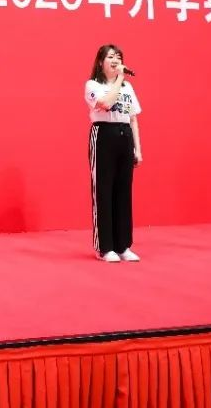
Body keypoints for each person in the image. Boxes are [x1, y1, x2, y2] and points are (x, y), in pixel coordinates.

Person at [85, 44, 142, 263]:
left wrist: (138, 149)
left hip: (124, 135)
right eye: (111, 57)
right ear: (101, 62)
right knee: (104, 190)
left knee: (123, 191)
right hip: (103, 136)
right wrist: (119, 79)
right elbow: (106, 103)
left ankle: (122, 245)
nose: (116, 60)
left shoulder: (128, 88)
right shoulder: (93, 85)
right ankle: (105, 247)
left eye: (118, 57)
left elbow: (133, 118)